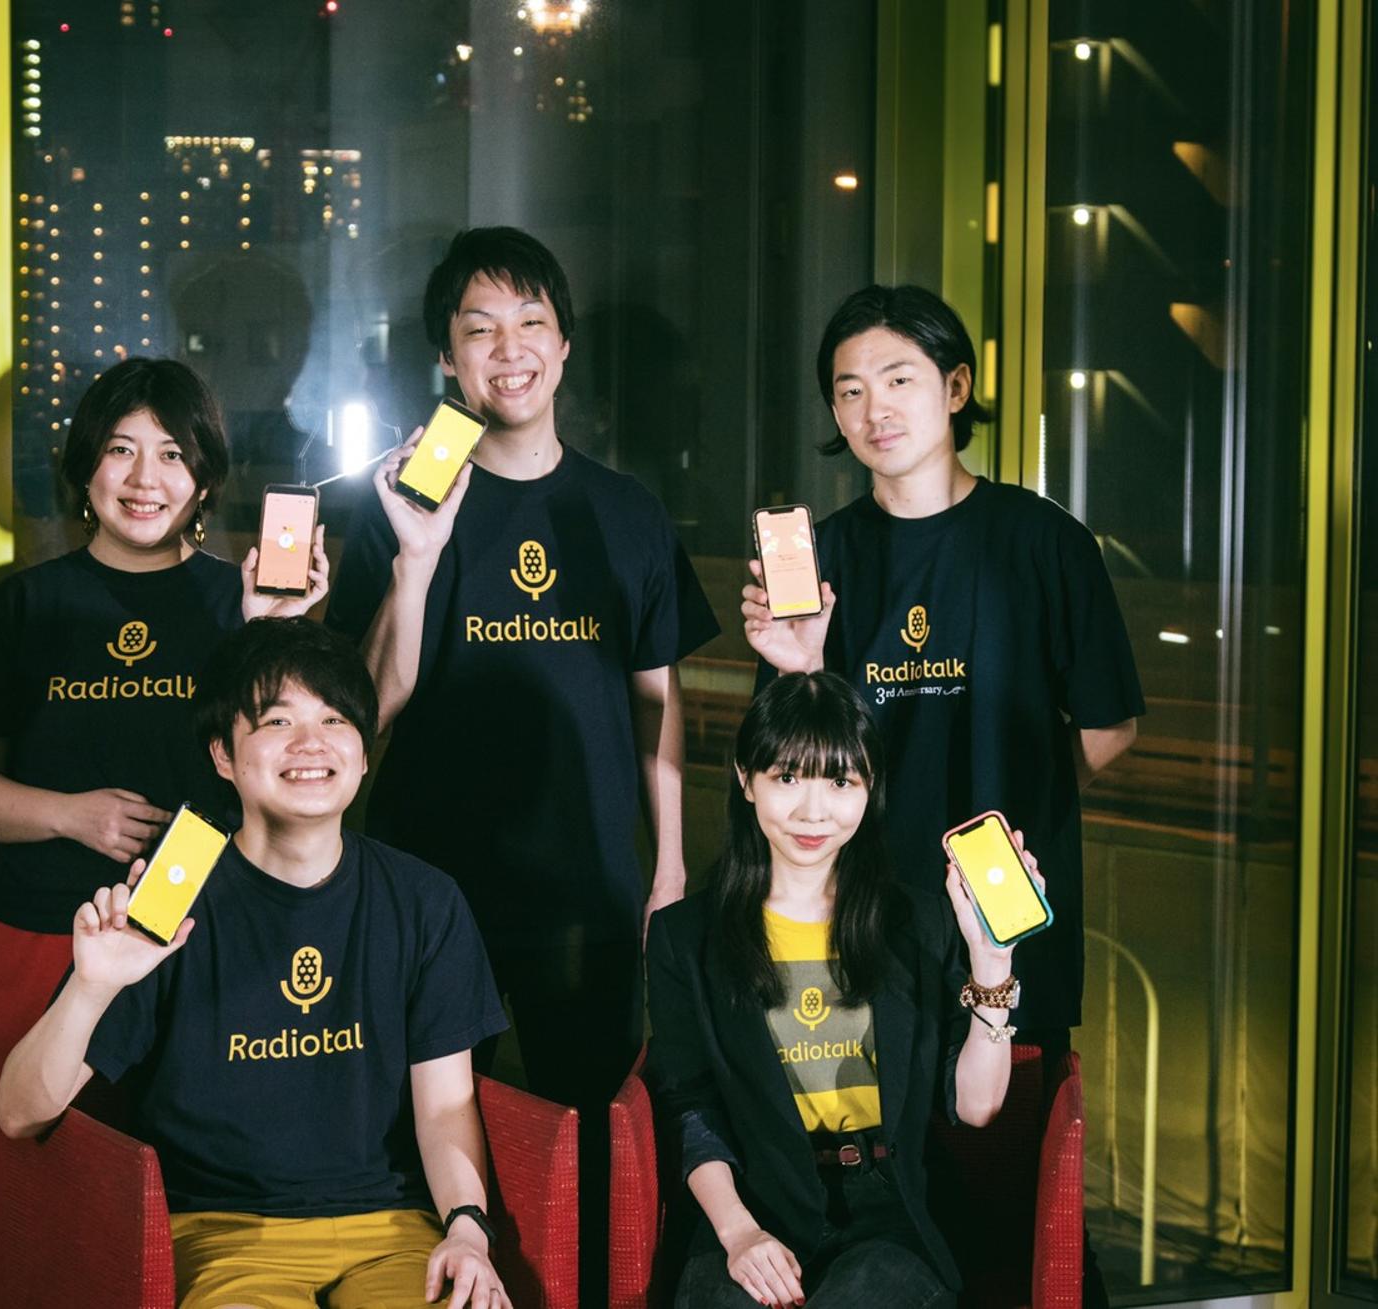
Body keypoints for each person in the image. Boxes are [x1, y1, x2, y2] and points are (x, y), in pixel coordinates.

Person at [0, 618, 513, 1309]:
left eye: (335, 719)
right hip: (221, 1236)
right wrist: (91, 987)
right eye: (277, 720)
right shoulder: (169, 901)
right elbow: (16, 1113)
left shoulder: (424, 900)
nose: (311, 743)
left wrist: (467, 1229)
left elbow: (446, 1106)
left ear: (364, 754)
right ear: (223, 754)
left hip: (393, 1233)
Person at [326, 223, 717, 1124]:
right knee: (418, 1133)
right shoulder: (399, 509)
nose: (510, 350)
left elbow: (655, 701)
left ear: (564, 343)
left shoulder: (628, 512)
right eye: (480, 328)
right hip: (429, 883)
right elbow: (367, 709)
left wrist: (668, 869)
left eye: (531, 321)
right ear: (447, 359)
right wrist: (416, 556)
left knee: (590, 1133)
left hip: (585, 891)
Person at [0, 356, 327, 1298]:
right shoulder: (24, 602)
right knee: (42, 1172)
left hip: (202, 933)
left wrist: (269, 634)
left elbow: (292, 780)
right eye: (120, 449)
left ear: (203, 476)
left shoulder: (237, 601)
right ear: (84, 466)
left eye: (171, 453)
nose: (144, 476)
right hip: (42, 927)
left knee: (189, 1183)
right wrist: (67, 814)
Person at [742, 283, 1142, 1053]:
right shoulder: (821, 557)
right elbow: (776, 764)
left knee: (1008, 1117)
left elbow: (1109, 725)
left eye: (899, 379)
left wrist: (1019, 801)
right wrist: (803, 668)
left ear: (956, 387)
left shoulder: (1046, 543)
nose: (875, 410)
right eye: (850, 391)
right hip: (855, 906)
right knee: (860, 1120)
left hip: (1003, 906)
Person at [648, 671, 1033, 1308]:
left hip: (889, 1214)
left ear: (869, 787)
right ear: (745, 778)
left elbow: (976, 1107)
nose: (813, 811)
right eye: (787, 777)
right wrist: (738, 1232)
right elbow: (691, 1108)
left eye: (840, 781)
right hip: (752, 1206)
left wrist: (992, 963)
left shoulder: (918, 923)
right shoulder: (684, 938)